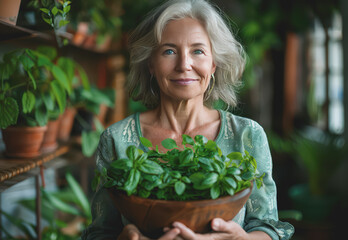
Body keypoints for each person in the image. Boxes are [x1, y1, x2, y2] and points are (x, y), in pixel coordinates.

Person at [81, 0, 295, 239]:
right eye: (169, 51)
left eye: (198, 51)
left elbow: (267, 226)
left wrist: (243, 238)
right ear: (151, 63)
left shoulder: (247, 135)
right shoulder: (117, 139)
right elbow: (99, 233)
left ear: (214, 63)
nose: (184, 65)